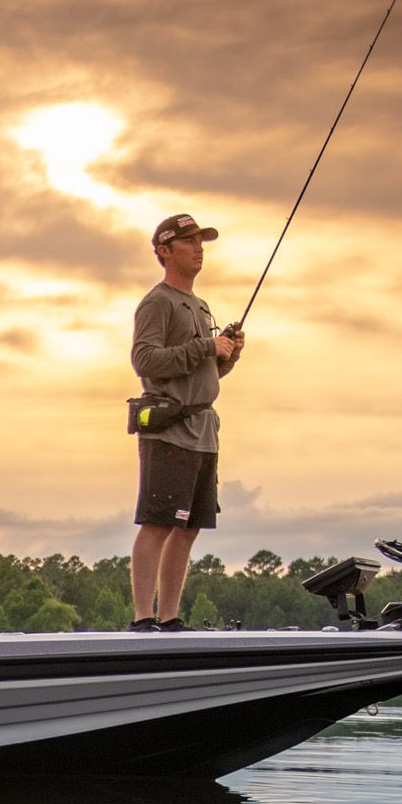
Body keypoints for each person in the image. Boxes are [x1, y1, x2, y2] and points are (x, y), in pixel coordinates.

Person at [128, 213, 243, 630]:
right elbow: (145, 360)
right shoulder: (157, 301)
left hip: (204, 431)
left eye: (202, 242)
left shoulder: (200, 305)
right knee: (159, 522)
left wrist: (225, 356)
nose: (199, 249)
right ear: (164, 250)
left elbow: (204, 376)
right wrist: (203, 347)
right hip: (170, 429)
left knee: (189, 528)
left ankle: (170, 617)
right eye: (190, 241)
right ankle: (144, 619)